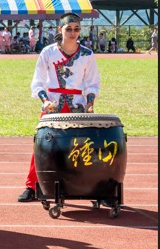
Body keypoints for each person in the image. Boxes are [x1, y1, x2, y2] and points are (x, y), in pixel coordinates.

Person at [18, 13, 101, 203]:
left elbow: (92, 83)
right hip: (53, 106)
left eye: (76, 29)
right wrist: (45, 101)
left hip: (77, 106)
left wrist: (89, 104)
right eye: (69, 29)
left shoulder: (87, 54)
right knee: (42, 145)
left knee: (82, 147)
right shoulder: (48, 52)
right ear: (60, 30)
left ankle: (89, 188)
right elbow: (37, 82)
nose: (73, 33)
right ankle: (33, 186)